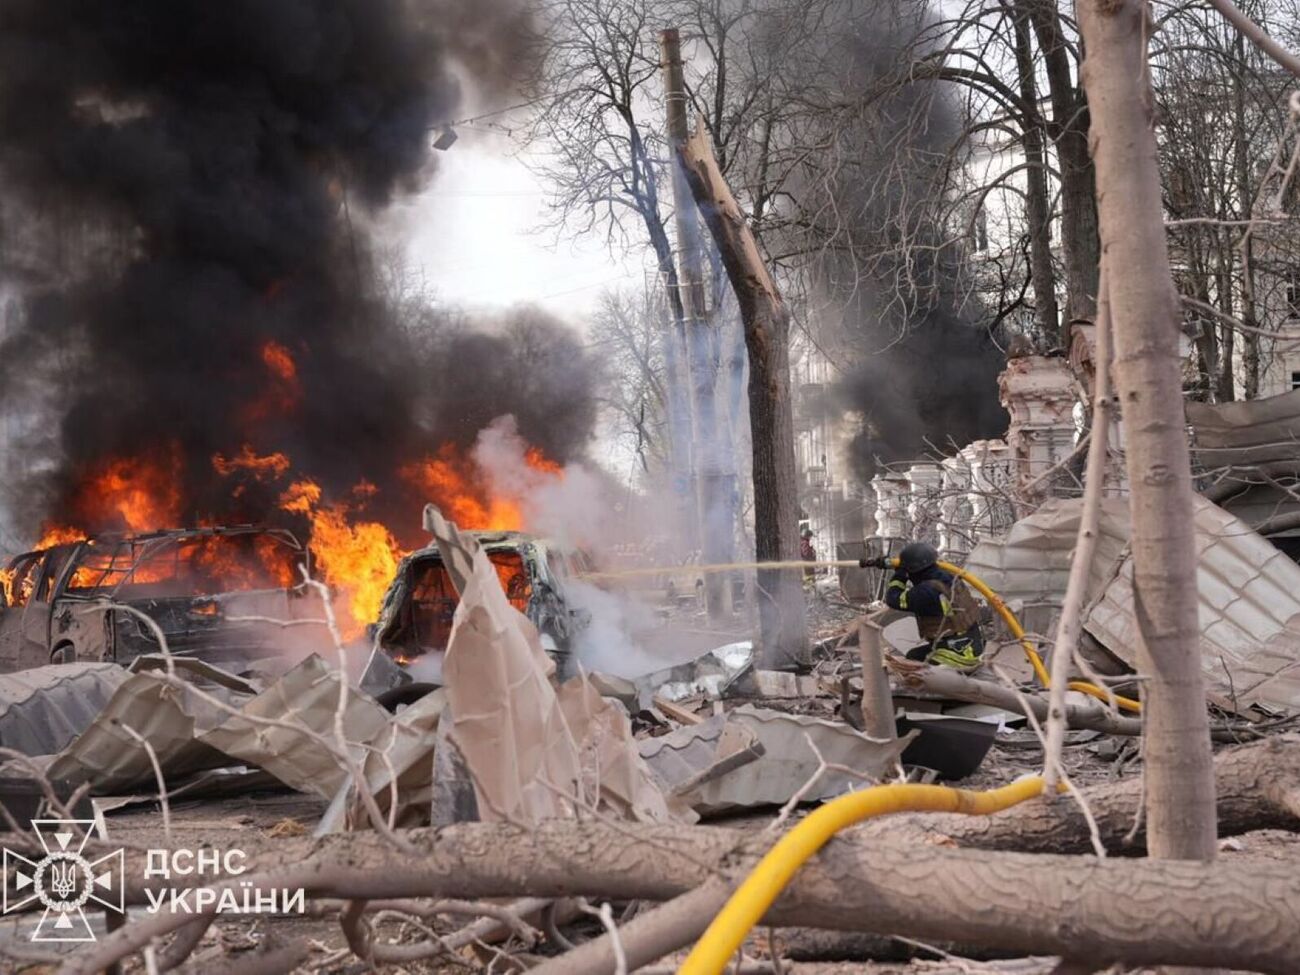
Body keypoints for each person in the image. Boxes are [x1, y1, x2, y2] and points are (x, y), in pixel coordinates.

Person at [864, 541, 984, 671]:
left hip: (957, 653)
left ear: (913, 571)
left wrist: (900, 576)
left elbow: (893, 599)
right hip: (972, 645)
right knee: (915, 654)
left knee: (912, 664)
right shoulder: (949, 578)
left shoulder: (927, 591)